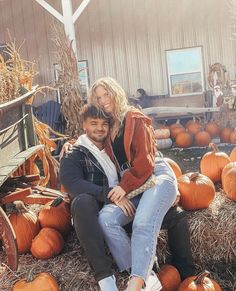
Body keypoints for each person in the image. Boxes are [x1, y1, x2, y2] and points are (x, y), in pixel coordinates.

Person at [60, 104, 196, 290]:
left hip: (128, 202)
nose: (99, 128)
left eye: (103, 124)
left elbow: (145, 157)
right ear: (84, 125)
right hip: (98, 216)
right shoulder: (75, 153)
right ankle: (130, 277)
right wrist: (110, 196)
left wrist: (171, 187)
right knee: (84, 203)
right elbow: (72, 182)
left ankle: (188, 277)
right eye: (93, 123)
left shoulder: (113, 147)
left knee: (177, 215)